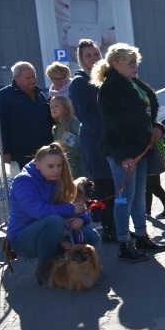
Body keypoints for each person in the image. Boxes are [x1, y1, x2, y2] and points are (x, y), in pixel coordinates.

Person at [93, 43, 165, 262]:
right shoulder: (110, 88)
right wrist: (123, 155)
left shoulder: (131, 83)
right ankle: (124, 242)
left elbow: (146, 112)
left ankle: (141, 235)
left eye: (136, 61)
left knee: (138, 196)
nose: (136, 66)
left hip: (139, 148)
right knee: (124, 197)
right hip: (123, 152)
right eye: (131, 62)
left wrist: (157, 126)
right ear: (116, 64)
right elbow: (111, 125)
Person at [7, 144, 99, 287]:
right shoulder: (23, 181)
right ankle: (44, 266)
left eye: (59, 166)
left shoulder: (58, 178)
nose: (56, 170)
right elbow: (37, 211)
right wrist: (69, 209)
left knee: (91, 236)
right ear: (37, 165)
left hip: (52, 229)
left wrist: (81, 219)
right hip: (23, 238)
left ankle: (63, 261)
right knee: (54, 221)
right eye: (50, 166)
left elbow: (78, 208)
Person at [70, 39, 117, 243]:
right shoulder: (79, 82)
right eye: (88, 55)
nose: (93, 58)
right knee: (102, 185)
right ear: (81, 59)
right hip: (94, 139)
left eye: (96, 54)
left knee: (115, 184)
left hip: (111, 138)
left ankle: (117, 226)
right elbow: (83, 114)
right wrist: (104, 132)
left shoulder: (106, 78)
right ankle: (108, 228)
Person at [0, 61, 53, 166]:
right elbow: (0, 125)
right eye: (28, 78)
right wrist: (5, 151)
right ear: (16, 78)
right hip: (20, 152)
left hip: (44, 149)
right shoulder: (3, 96)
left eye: (34, 76)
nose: (33, 80)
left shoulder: (40, 94)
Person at [50, 96, 86, 178]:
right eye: (51, 107)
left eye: (56, 106)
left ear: (66, 108)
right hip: (68, 166)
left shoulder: (73, 122)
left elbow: (82, 141)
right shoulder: (56, 128)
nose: (53, 109)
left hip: (80, 165)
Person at [146, 139, 165, 219]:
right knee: (148, 187)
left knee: (155, 187)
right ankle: (146, 211)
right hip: (151, 159)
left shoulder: (153, 128)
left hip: (153, 159)